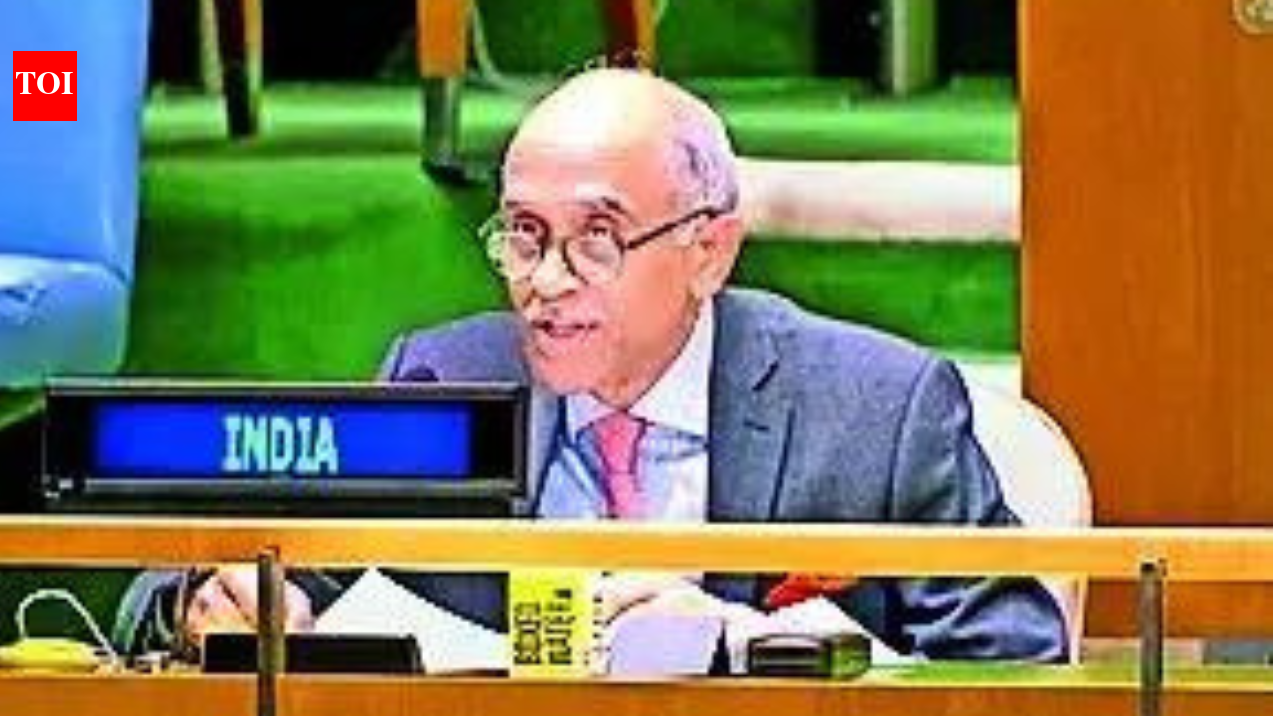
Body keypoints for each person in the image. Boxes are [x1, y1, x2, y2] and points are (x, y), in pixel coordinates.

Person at [116, 67, 1066, 662]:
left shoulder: (877, 411)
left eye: (599, 238)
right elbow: (171, 590)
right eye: (525, 235)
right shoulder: (446, 383)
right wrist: (209, 604)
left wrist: (755, 644)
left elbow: (1021, 666)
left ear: (709, 251)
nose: (546, 281)